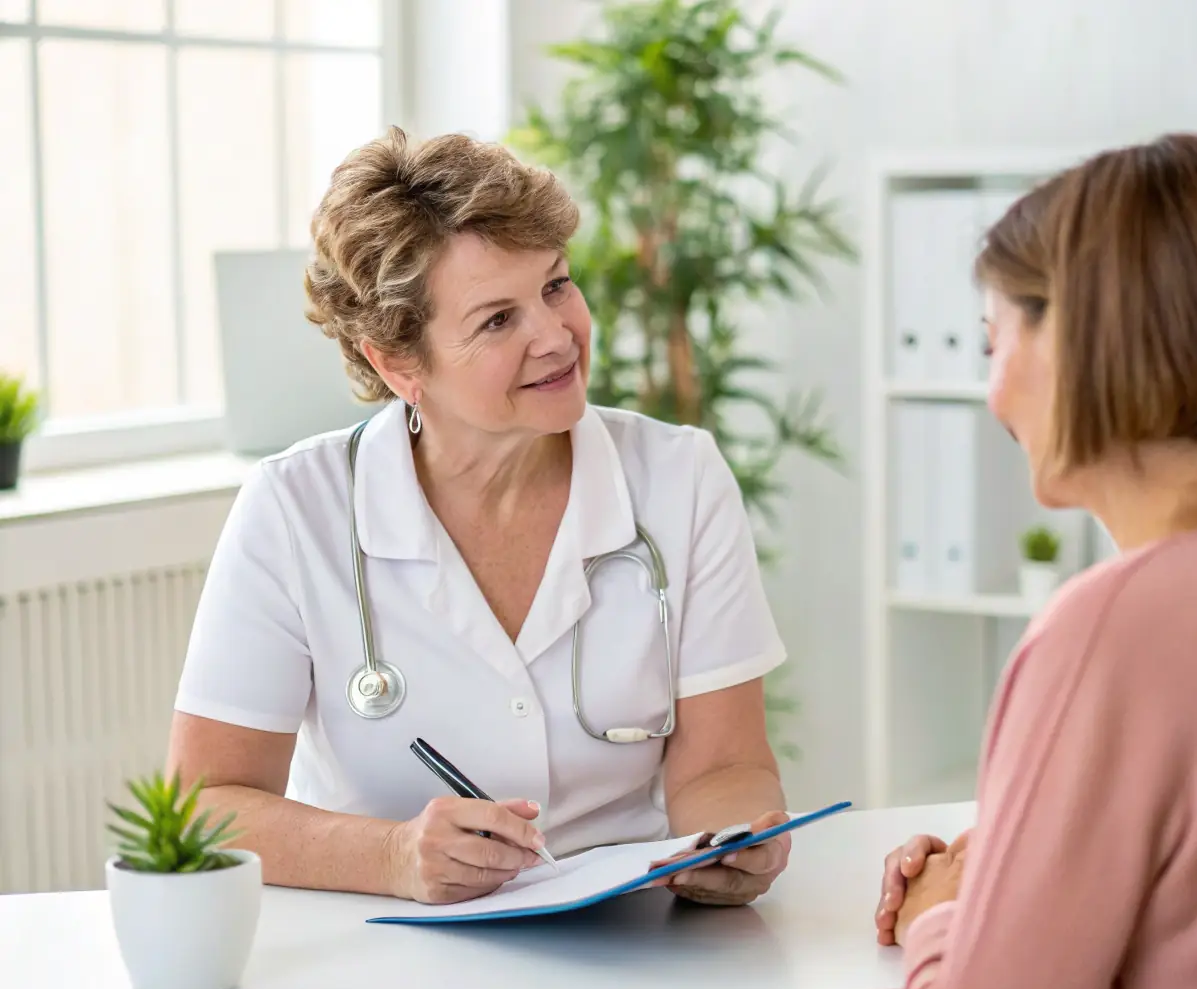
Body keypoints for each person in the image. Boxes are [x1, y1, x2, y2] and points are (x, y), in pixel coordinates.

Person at [166, 126, 791, 908]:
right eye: (498, 320)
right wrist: (391, 856)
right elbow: (207, 804)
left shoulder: (679, 476)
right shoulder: (296, 508)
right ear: (398, 364)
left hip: (631, 941)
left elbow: (723, 766)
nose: (556, 336)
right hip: (381, 943)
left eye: (556, 285)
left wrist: (731, 850)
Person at [873, 133, 1197, 989]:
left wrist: (940, 918)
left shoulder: (1108, 630)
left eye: (994, 343)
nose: (993, 394)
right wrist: (1019, 873)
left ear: (1080, 338)